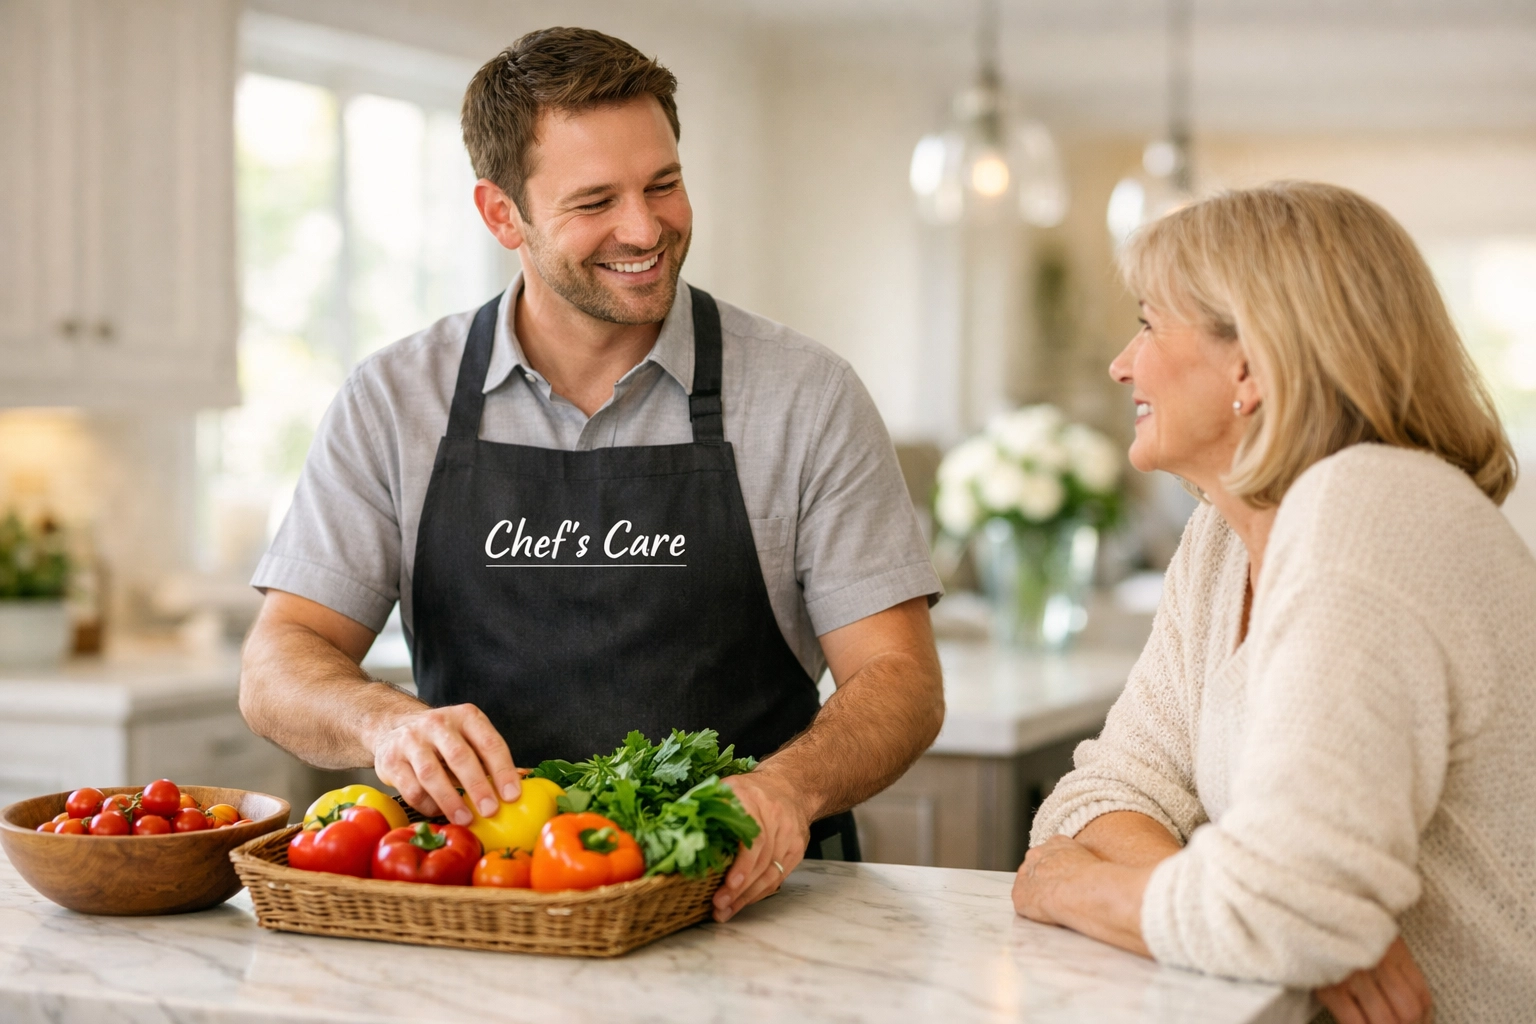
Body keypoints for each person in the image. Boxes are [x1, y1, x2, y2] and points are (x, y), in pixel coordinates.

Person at [239, 27, 945, 923]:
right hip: (484, 901)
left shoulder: (806, 396)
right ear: (502, 215)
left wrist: (787, 792)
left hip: (752, 901)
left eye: (664, 184)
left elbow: (901, 678)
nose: (645, 229)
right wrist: (386, 722)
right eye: (595, 201)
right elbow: (278, 660)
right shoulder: (394, 401)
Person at [1011, 182, 1536, 1023]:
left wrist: (1070, 885)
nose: (1121, 363)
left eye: (1148, 324)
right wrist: (1247, 908)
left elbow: (1287, 913)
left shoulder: (1372, 510)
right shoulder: (1220, 540)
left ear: (1249, 365)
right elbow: (1107, 789)